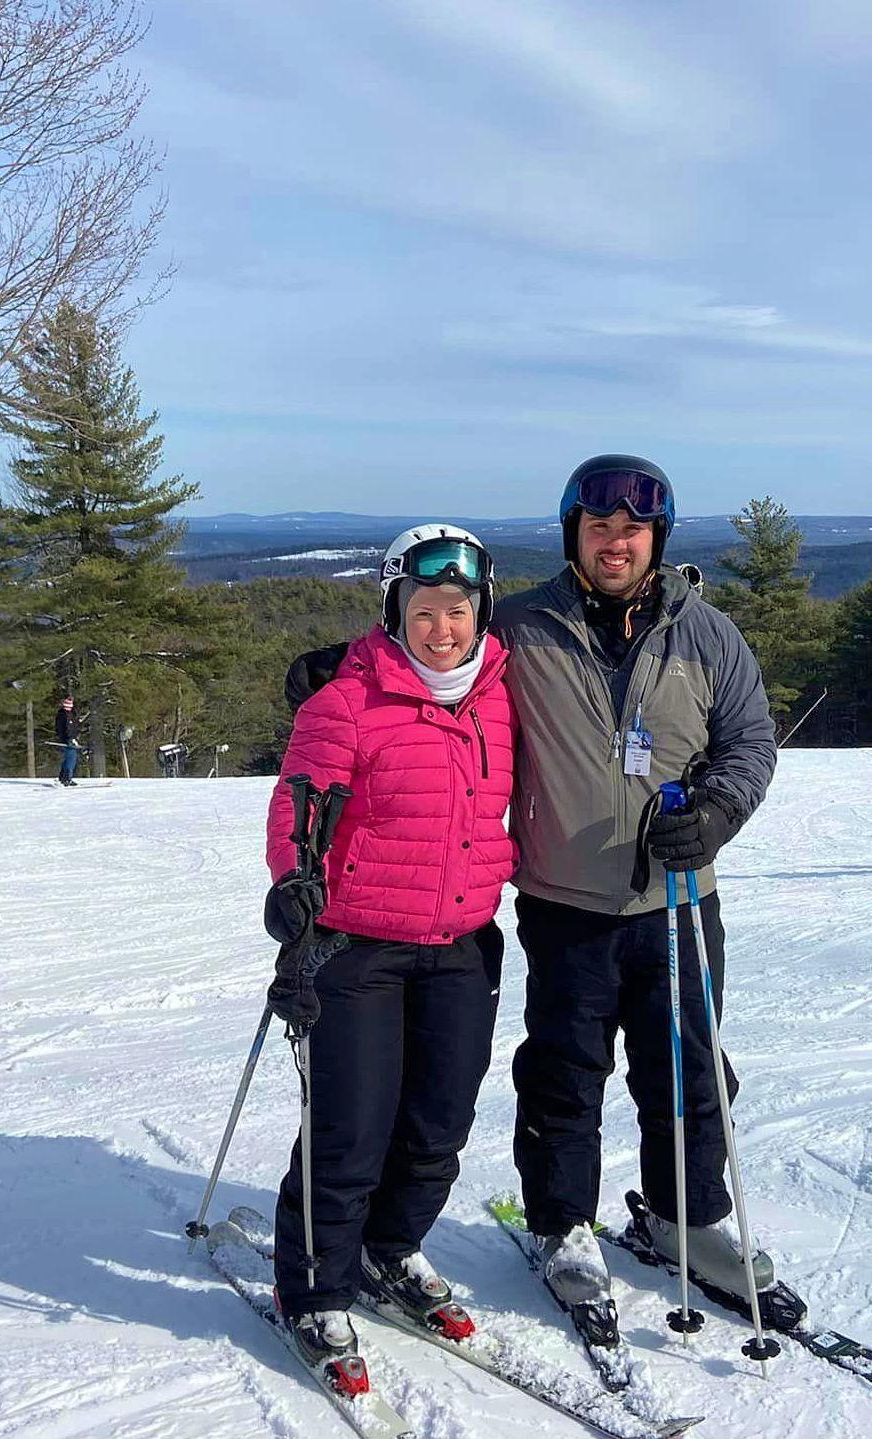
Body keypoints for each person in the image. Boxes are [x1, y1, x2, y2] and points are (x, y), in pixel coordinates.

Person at [490, 455, 778, 1319]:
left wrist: (717, 813)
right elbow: (428, 661)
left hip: (680, 900)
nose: (615, 543)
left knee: (687, 1069)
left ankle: (685, 1218)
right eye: (598, 527)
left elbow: (750, 741)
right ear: (572, 534)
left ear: (657, 537)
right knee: (564, 1070)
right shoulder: (518, 628)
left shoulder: (706, 633)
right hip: (565, 901)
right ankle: (562, 1223)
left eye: (632, 529)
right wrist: (346, 674)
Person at [263, 523, 516, 1374]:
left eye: (458, 609)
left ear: (481, 611)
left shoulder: (505, 693)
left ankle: (390, 1245)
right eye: (423, 609)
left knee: (438, 1125)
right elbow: (297, 805)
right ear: (393, 611)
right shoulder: (343, 700)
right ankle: (313, 1288)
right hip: (358, 947)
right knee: (349, 1129)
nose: (442, 627)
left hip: (462, 944)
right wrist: (293, 883)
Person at [54, 695, 80, 785]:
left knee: (69, 759)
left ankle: (63, 777)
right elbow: (62, 729)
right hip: (66, 740)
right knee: (71, 759)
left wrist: (75, 737)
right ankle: (66, 778)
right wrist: (68, 738)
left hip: (72, 739)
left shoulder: (72, 714)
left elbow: (75, 727)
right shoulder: (62, 715)